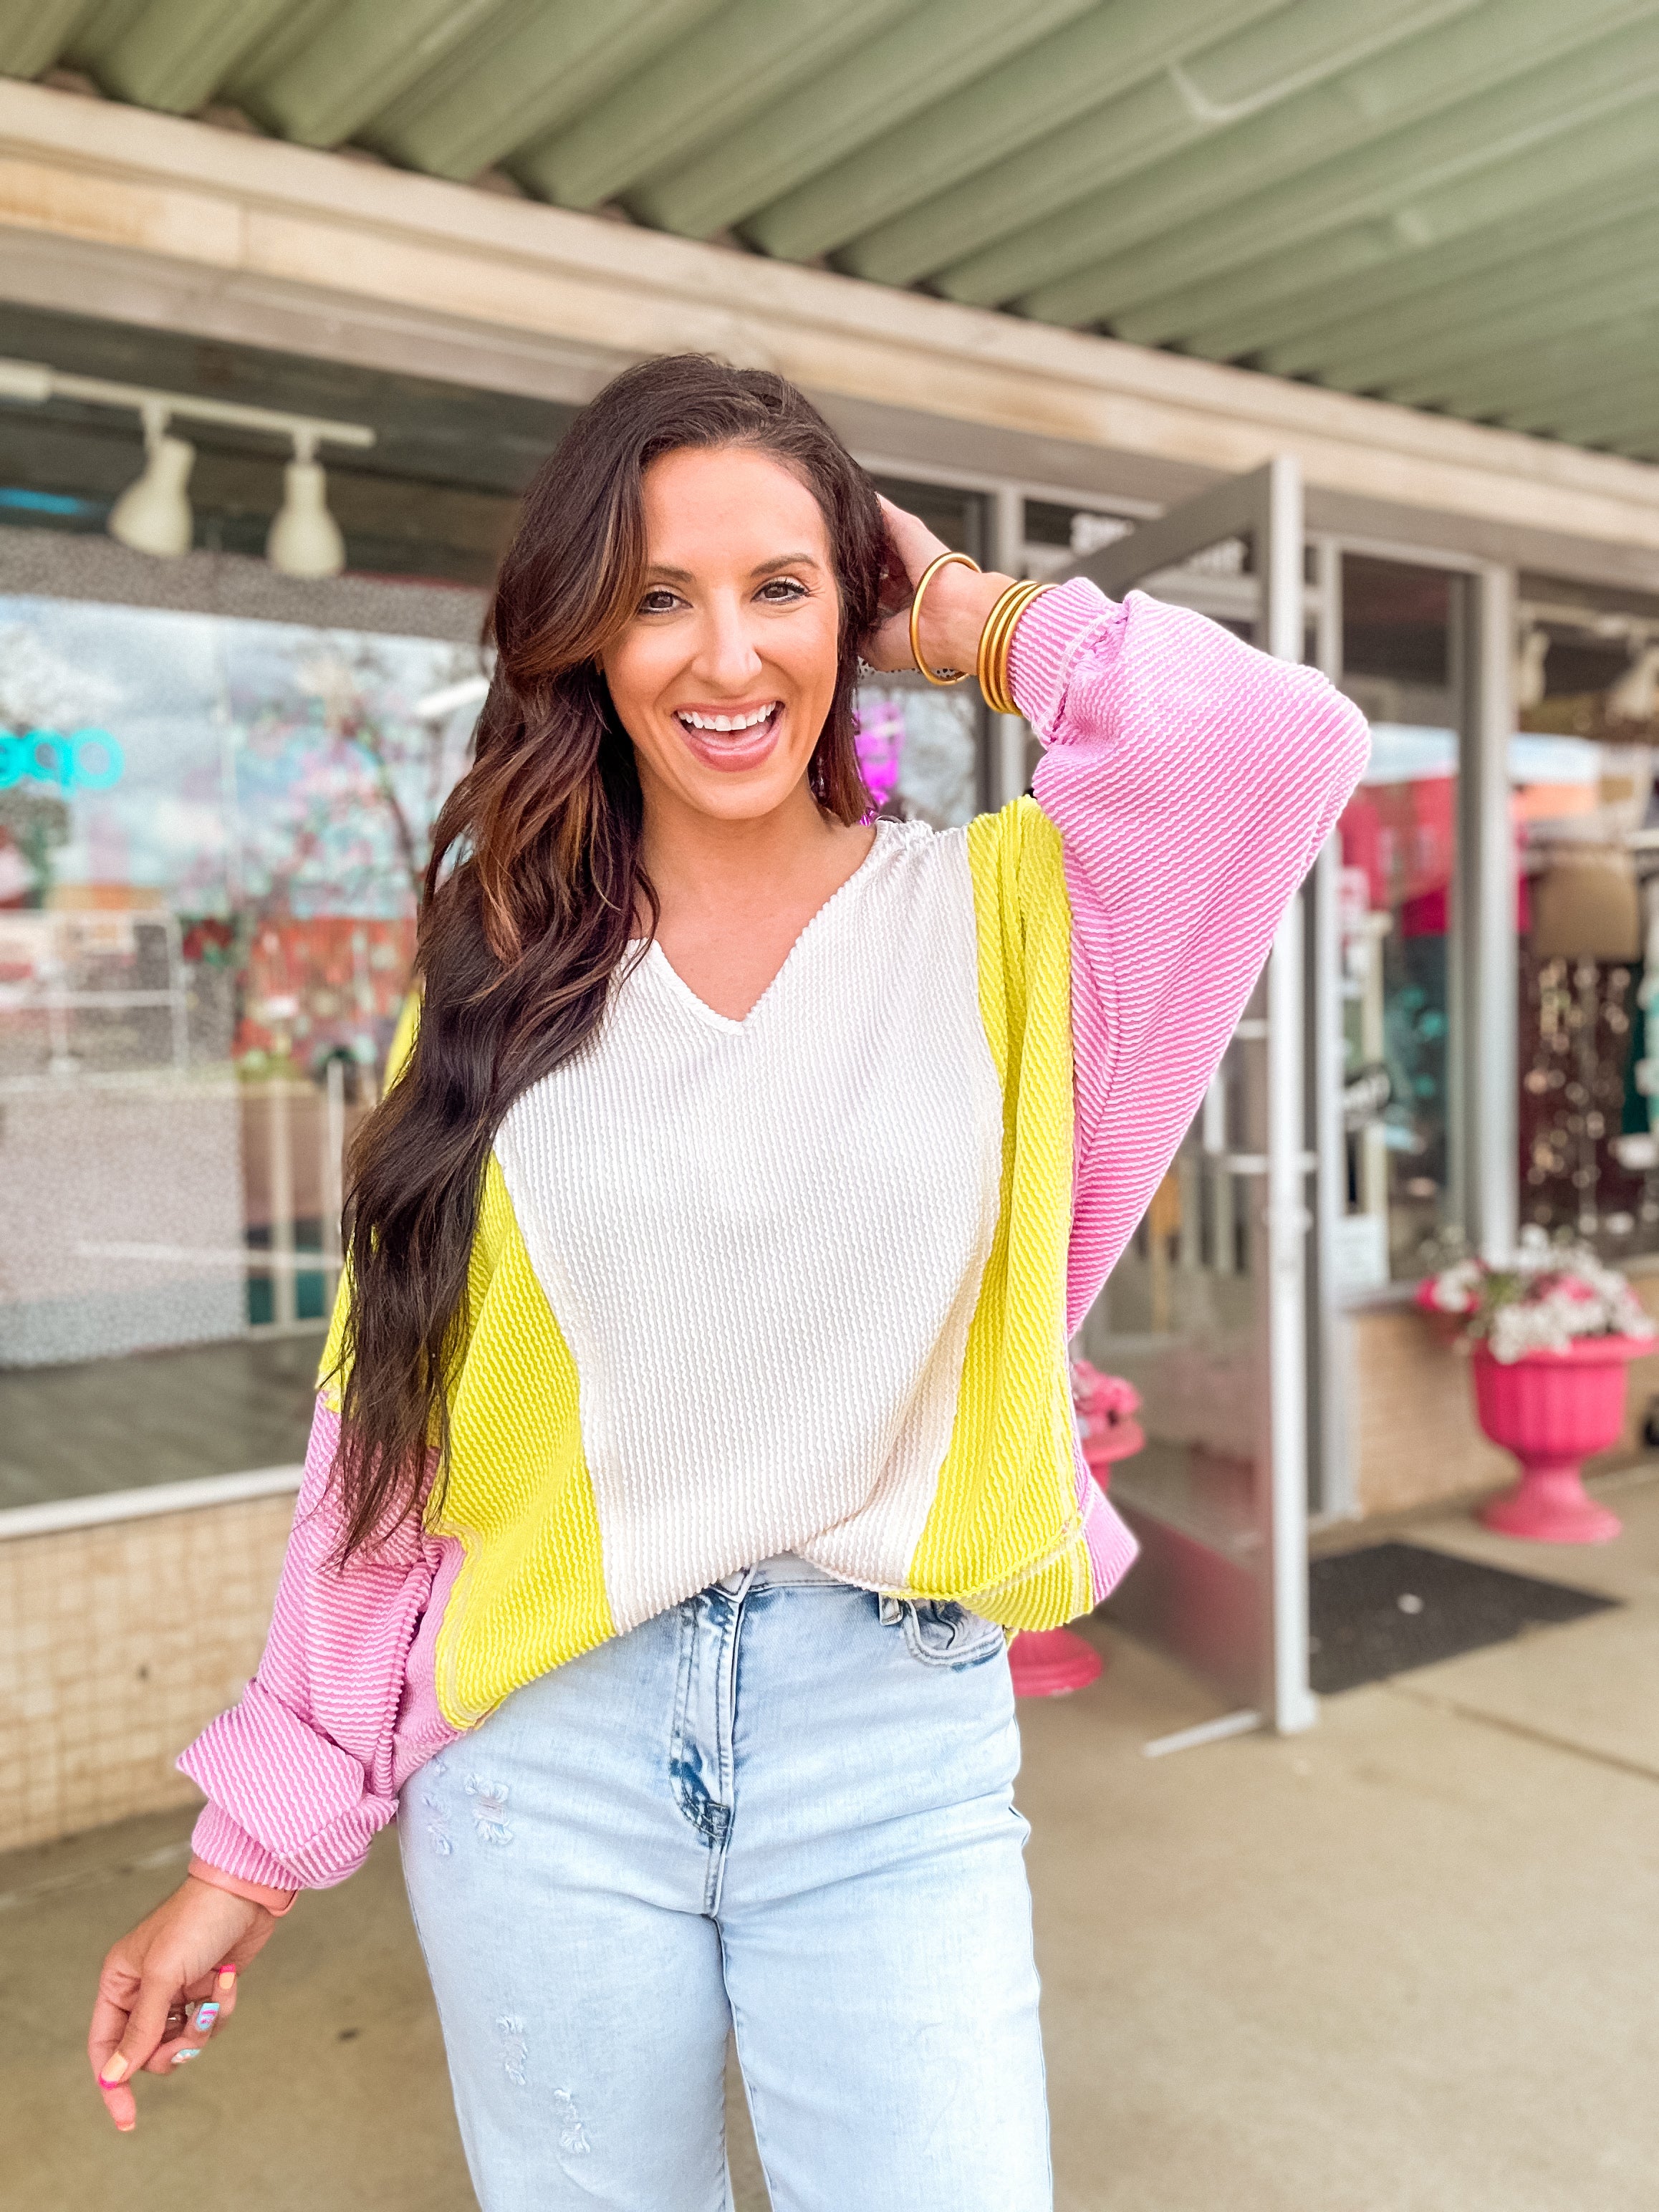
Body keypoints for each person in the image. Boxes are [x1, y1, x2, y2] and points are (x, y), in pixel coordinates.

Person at [87, 356, 1367, 2208]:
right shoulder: (495, 986)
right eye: (655, 596)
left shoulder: (1006, 924)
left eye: (778, 587)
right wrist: (254, 1848)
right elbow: (387, 1443)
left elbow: (1269, 744)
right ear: (588, 643)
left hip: (893, 1749)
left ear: (848, 607)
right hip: (544, 1757)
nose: (723, 657)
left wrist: (962, 617)